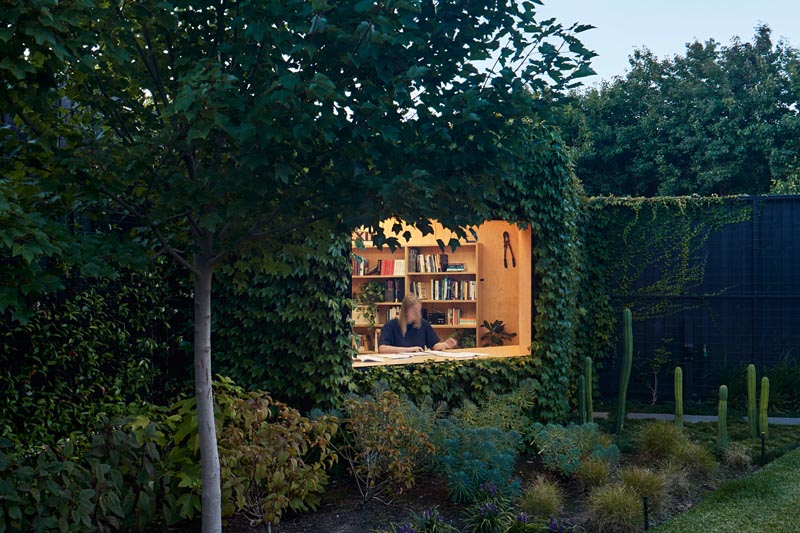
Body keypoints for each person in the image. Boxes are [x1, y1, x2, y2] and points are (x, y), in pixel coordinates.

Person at [378, 294, 458, 353]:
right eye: (414, 311)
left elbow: (434, 345)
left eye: (418, 311)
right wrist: (409, 350)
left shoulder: (423, 324)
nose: (417, 314)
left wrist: (445, 344)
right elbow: (382, 349)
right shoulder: (391, 326)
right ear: (405, 311)